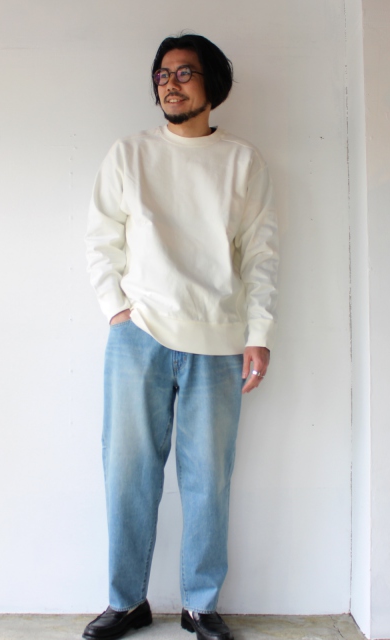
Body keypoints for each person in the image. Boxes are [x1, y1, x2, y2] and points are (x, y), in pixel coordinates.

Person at [83, 33, 278, 640]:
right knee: (127, 475)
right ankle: (126, 602)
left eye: (185, 72)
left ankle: (200, 604)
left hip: (218, 341)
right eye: (163, 74)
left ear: (212, 82)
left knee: (208, 480)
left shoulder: (242, 162)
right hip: (138, 337)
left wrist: (259, 332)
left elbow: (261, 255)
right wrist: (116, 311)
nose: (170, 83)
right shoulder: (129, 154)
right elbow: (101, 239)